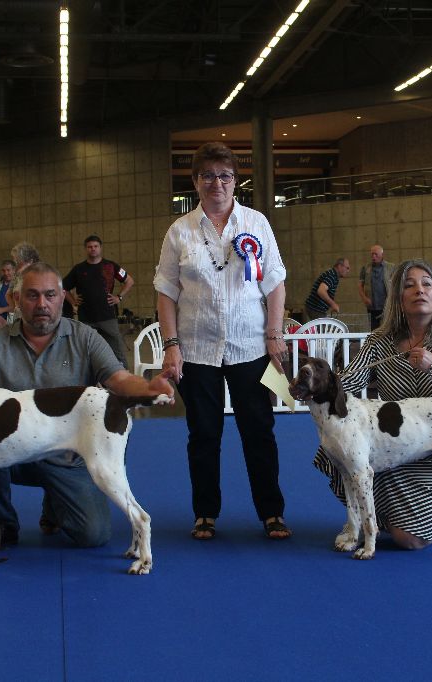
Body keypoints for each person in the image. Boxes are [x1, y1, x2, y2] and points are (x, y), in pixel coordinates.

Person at [0, 263, 175, 549]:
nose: (42, 304)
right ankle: (0, 524)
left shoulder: (85, 337)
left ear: (63, 297)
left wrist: (148, 388)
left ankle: (56, 502)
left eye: (50, 295)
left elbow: (119, 379)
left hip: (67, 456)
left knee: (94, 534)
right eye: (32, 295)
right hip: (12, 453)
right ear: (16, 299)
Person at [154, 141, 292, 541]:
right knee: (203, 434)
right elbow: (166, 291)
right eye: (208, 175)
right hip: (197, 350)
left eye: (225, 175)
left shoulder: (257, 223)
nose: (217, 183)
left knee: (259, 431)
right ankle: (205, 513)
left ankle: (271, 512)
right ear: (195, 181)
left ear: (236, 181)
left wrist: (274, 334)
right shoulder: (179, 231)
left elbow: (275, 284)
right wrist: (171, 345)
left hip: (251, 347)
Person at [314, 259, 432, 548]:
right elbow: (346, 383)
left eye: (427, 284)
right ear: (398, 298)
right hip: (396, 449)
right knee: (340, 446)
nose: (419, 290)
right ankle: (362, 522)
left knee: (407, 538)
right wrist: (313, 381)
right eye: (409, 285)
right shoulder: (379, 341)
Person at [64, 235, 134, 366]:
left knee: (117, 349)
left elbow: (129, 281)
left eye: (95, 246)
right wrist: (73, 302)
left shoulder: (111, 266)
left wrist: (119, 297)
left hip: (107, 317)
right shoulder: (78, 269)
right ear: (85, 249)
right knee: (85, 350)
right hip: (86, 318)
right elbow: (64, 288)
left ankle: (124, 373)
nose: (93, 249)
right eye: (90, 247)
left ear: (100, 248)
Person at [358, 245, 395, 330]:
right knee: (374, 329)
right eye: (372, 254)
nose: (373, 256)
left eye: (376, 254)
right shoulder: (365, 268)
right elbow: (360, 285)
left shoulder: (391, 267)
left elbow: (397, 284)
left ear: (382, 255)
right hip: (372, 305)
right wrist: (364, 298)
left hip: (387, 305)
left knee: (387, 328)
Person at [6, 241, 40, 315]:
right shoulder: (17, 276)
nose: (16, 264)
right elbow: (8, 295)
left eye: (19, 261)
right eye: (15, 260)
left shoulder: (40, 275)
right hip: (19, 315)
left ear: (31, 261)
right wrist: (15, 308)